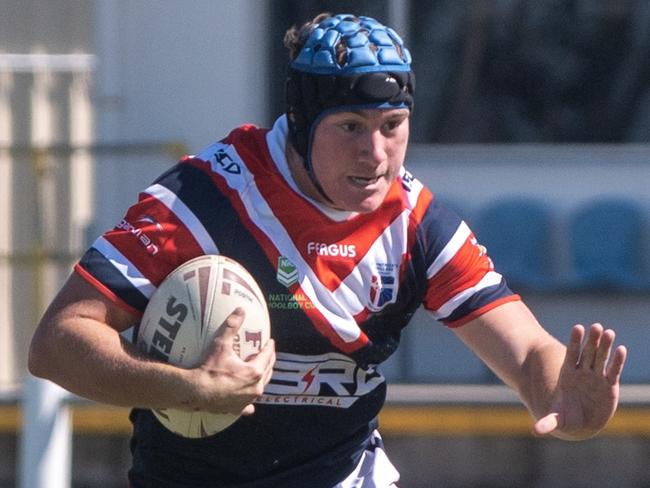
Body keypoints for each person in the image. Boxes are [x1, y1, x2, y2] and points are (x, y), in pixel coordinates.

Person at [29, 12, 627, 488]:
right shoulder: (201, 202)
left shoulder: (416, 223)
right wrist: (180, 387)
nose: (376, 154)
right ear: (300, 118)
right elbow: (58, 342)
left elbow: (526, 354)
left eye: (393, 124)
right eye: (350, 128)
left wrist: (564, 397)